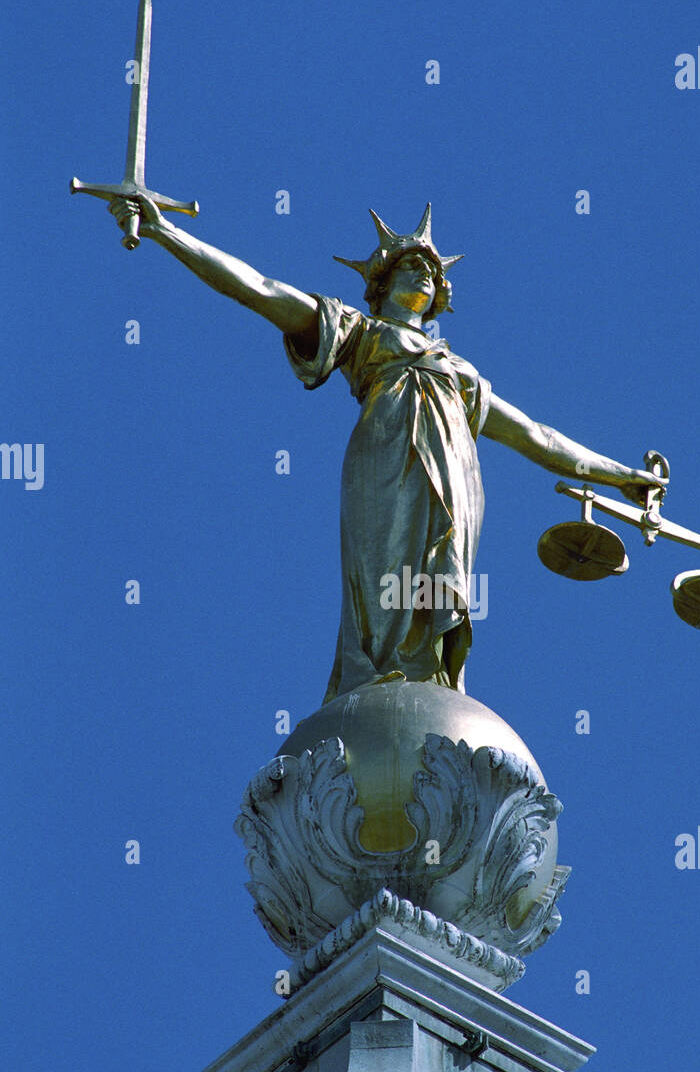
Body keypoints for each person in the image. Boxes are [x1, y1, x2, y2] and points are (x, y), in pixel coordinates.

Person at [108, 197, 665, 702]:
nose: (424, 270)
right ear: (381, 282)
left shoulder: (461, 376)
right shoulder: (362, 332)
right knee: (384, 576)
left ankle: (432, 681)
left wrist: (621, 478)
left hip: (455, 480)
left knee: (436, 583)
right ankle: (374, 676)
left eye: (432, 269)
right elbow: (260, 290)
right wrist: (167, 234)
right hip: (386, 461)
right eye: (411, 264)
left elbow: (537, 436)